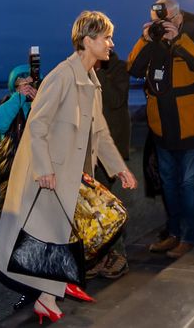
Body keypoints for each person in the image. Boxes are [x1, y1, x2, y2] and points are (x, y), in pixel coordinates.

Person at [0, 11, 137, 324]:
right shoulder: (61, 76)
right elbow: (38, 123)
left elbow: (100, 131)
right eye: (106, 38)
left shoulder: (91, 80)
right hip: (48, 175)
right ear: (88, 41)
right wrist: (44, 169)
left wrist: (118, 169)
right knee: (46, 236)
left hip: (71, 175)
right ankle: (50, 293)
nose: (112, 43)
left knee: (65, 233)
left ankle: (51, 294)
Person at [128, 0, 194, 259]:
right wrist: (146, 38)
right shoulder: (153, 37)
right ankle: (174, 233)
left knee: (190, 183)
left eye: (165, 21)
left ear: (178, 17)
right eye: (158, 22)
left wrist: (178, 38)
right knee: (168, 183)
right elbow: (133, 68)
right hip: (163, 125)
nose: (162, 26)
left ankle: (191, 236)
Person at [87, 50, 131, 279]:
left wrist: (98, 73)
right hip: (88, 149)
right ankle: (99, 258)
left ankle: (118, 257)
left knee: (106, 204)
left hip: (110, 148)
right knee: (91, 206)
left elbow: (115, 99)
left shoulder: (118, 69)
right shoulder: (81, 68)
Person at [0, 64, 37, 216]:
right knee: (13, 224)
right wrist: (19, 98)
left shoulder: (41, 104)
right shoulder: (10, 103)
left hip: (37, 174)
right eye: (22, 83)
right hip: (13, 175)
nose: (27, 86)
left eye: (30, 82)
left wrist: (40, 101)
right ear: (14, 86)